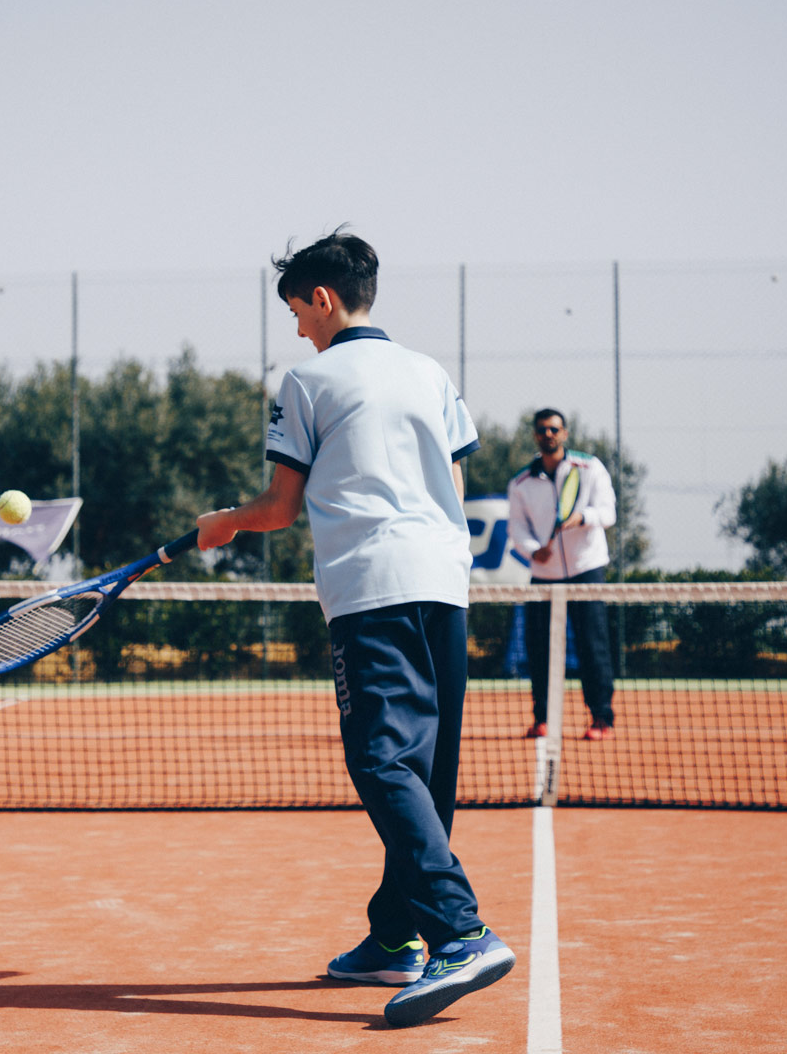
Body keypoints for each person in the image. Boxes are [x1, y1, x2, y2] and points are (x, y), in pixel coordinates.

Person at [195, 229, 514, 1029]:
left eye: (298, 310)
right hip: (444, 583)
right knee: (426, 771)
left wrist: (222, 524)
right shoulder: (430, 373)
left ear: (324, 299)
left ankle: (460, 932)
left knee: (380, 759)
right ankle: (394, 936)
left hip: (371, 588)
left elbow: (279, 508)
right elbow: (452, 480)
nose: (298, 327)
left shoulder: (307, 379)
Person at [506, 408, 619, 741]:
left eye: (554, 429)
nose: (548, 434)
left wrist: (582, 517)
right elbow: (517, 529)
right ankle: (542, 718)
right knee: (539, 649)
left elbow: (608, 512)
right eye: (542, 429)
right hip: (544, 575)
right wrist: (532, 550)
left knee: (593, 646)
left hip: (587, 570)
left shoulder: (590, 468)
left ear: (565, 433)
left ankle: (601, 718)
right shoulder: (521, 483)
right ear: (535, 435)